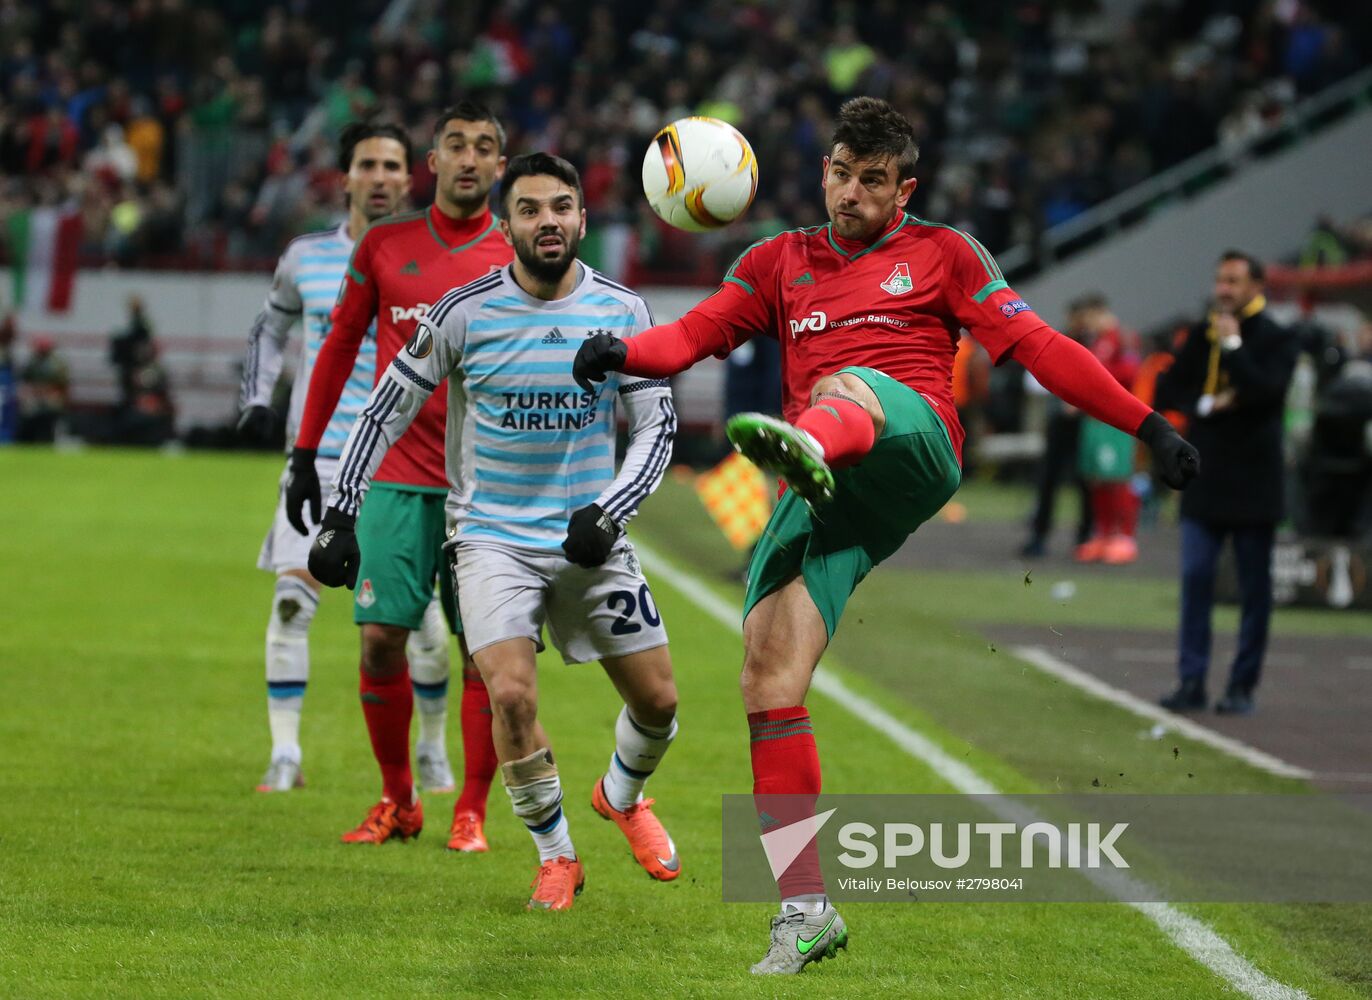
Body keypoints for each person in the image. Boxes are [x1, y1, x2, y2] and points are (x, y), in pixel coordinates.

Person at [573, 96, 1198, 974]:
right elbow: (693, 335)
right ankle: (806, 910)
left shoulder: (943, 254)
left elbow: (1040, 344)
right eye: (840, 172)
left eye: (872, 180)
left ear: (905, 190)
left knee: (851, 387)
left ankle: (814, 441)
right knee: (766, 674)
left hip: (912, 448)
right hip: (829, 485)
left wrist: (1147, 426)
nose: (850, 193)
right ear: (823, 169)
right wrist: (622, 354)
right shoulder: (776, 261)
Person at [308, 153, 681, 911]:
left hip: (591, 536)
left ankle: (622, 796)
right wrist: (342, 511)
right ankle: (557, 856)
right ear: (506, 224)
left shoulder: (623, 311)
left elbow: (657, 427)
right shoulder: (464, 311)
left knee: (660, 705)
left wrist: (611, 511)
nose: (549, 221)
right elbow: (384, 410)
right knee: (509, 694)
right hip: (491, 539)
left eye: (563, 207)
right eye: (532, 209)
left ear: (582, 219)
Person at [285, 101, 512, 850]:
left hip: (485, 487)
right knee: (380, 638)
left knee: (484, 651)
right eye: (456, 145)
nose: (470, 159)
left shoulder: (517, 254)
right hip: (394, 475)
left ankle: (472, 810)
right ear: (434, 162)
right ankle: (399, 799)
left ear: (500, 167)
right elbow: (339, 348)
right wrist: (305, 454)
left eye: (485, 148)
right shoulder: (385, 246)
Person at [236, 120, 457, 794]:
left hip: (403, 464)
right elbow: (269, 326)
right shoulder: (306, 257)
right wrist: (256, 395)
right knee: (292, 604)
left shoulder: (430, 255)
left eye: (393, 165)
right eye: (369, 164)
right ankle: (284, 754)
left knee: (422, 624)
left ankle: (432, 749)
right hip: (321, 457)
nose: (382, 177)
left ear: (411, 175)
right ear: (346, 178)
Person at [1156, 251, 1297, 715]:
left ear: (1257, 285)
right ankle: (1191, 681)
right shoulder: (1202, 334)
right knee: (1196, 578)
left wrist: (1235, 348)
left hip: (1256, 481)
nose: (1223, 289)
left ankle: (1242, 687)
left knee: (1255, 591)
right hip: (1205, 476)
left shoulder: (1276, 337)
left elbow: (1266, 394)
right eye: (1220, 280)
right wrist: (1203, 406)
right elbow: (1167, 388)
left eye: (1234, 281)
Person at [1019, 297, 1094, 557]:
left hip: (1083, 422)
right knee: (1050, 479)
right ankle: (1040, 535)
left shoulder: (1094, 344)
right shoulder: (1060, 341)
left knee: (1084, 480)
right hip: (1059, 421)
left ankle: (1085, 537)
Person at [1074, 295, 1143, 565]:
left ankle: (1125, 536)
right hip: (1095, 418)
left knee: (1117, 478)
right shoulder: (1098, 340)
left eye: (1091, 316)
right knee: (1097, 479)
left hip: (1115, 420)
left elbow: (1129, 373)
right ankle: (1103, 534)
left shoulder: (1121, 339)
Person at [18, 336, 69, 443]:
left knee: (50, 409)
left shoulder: (57, 363)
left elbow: (62, 385)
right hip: (35, 395)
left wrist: (46, 390)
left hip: (51, 395)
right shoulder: (32, 361)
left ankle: (48, 439)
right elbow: (26, 381)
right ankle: (26, 440)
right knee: (28, 409)